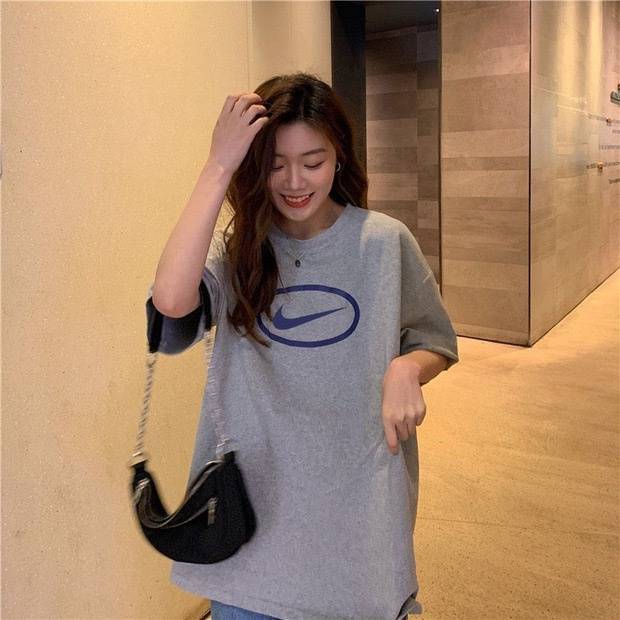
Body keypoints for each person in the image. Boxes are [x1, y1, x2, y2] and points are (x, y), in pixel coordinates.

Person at [146, 72, 459, 620]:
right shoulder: (240, 252)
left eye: (313, 161)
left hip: (358, 524)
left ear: (339, 158)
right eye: (274, 164)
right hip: (251, 538)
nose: (294, 181)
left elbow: (434, 338)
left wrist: (408, 368)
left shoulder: (384, 242)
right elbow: (172, 301)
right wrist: (219, 164)